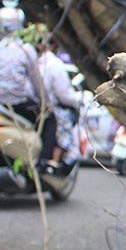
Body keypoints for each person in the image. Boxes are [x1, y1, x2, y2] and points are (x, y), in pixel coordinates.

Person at [0, 0, 56, 164]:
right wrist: (46, 103)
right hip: (15, 105)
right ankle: (43, 162)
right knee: (50, 119)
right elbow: (37, 83)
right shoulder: (25, 49)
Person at [35, 29, 82, 172]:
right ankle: (53, 160)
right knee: (64, 121)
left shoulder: (31, 59)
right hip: (44, 107)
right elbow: (64, 95)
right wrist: (81, 98)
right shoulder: (54, 64)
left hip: (31, 104)